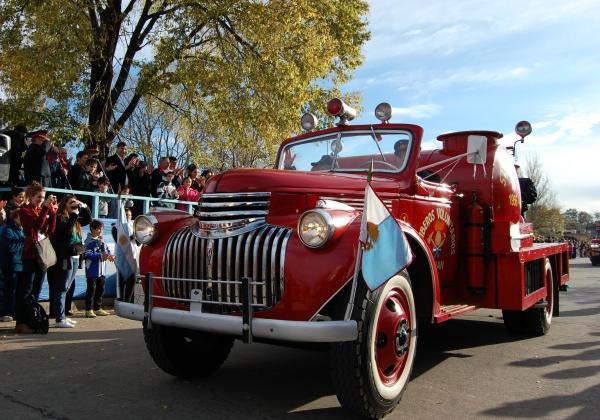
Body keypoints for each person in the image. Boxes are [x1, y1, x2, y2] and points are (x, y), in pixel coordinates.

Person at [16, 182, 57, 334]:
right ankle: (21, 322)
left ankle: (32, 318)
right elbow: (37, 225)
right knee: (26, 290)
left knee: (37, 289)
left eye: (43, 197)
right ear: (31, 196)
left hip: (41, 254)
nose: (41, 200)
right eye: (38, 197)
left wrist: (52, 213)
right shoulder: (24, 211)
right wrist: (46, 209)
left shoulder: (41, 209)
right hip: (30, 254)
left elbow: (50, 230)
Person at [48, 195, 91, 328]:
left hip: (75, 256)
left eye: (75, 202)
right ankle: (59, 318)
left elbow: (89, 220)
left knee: (66, 287)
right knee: (61, 287)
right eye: (71, 202)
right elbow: (66, 231)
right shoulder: (60, 217)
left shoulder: (75, 218)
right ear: (64, 204)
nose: (74, 204)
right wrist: (74, 215)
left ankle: (63, 316)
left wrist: (84, 206)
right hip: (64, 257)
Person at [84, 219, 114, 318]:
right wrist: (101, 255)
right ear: (92, 229)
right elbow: (88, 255)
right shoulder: (88, 241)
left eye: (101, 229)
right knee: (91, 290)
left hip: (102, 270)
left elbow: (107, 250)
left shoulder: (102, 240)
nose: (100, 231)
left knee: (100, 289)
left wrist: (110, 256)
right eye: (98, 229)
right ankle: (88, 309)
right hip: (92, 271)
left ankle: (97, 308)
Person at [0, 209, 25, 322]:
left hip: (23, 264)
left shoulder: (24, 230)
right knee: (10, 289)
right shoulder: (8, 230)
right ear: (15, 218)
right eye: (21, 217)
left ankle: (16, 312)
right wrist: (24, 241)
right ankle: (7, 312)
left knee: (20, 290)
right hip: (11, 265)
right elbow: (9, 248)